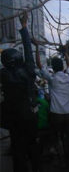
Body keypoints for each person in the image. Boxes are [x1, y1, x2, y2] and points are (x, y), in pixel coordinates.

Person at [0, 12, 42, 172]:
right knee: (33, 146)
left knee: (18, 149)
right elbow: (28, 49)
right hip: (30, 116)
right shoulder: (28, 69)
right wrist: (24, 27)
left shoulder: (3, 75)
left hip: (13, 119)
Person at [34, 42, 69, 169]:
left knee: (57, 137)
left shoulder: (52, 79)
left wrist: (37, 48)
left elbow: (39, 65)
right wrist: (65, 52)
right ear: (62, 67)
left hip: (57, 114)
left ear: (53, 68)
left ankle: (62, 162)